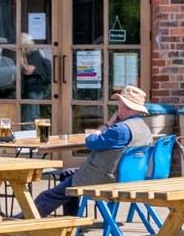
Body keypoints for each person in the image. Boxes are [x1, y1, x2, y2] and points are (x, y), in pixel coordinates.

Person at [34, 85, 152, 217]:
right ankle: (71, 220)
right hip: (128, 178)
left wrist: (109, 123)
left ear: (122, 106)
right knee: (67, 175)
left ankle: (22, 221)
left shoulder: (120, 130)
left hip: (104, 178)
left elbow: (90, 142)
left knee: (48, 196)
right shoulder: (145, 128)